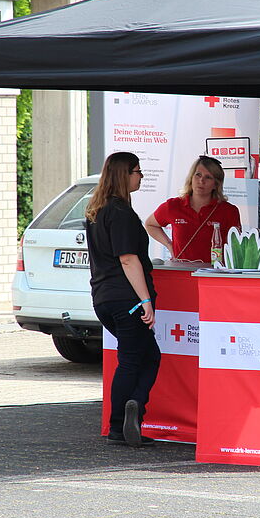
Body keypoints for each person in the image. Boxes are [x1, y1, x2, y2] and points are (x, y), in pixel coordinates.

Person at [84, 152, 160, 448]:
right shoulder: (121, 213)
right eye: (137, 171)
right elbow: (128, 259)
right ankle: (122, 421)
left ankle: (131, 413)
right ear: (123, 175)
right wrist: (146, 301)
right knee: (133, 360)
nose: (140, 176)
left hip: (103, 298)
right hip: (126, 300)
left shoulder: (97, 211)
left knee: (145, 356)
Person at [145, 155, 241, 263]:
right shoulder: (173, 205)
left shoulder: (229, 211)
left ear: (216, 184)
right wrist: (169, 245)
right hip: (181, 273)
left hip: (214, 274)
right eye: (198, 175)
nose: (201, 180)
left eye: (208, 177)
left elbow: (237, 246)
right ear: (191, 178)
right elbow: (150, 224)